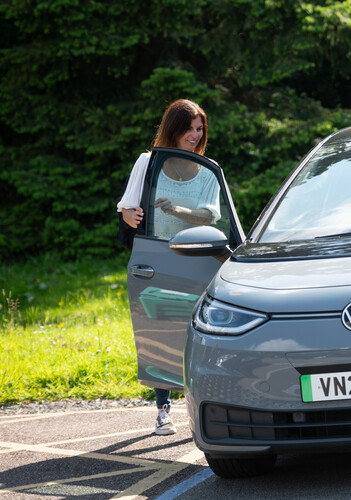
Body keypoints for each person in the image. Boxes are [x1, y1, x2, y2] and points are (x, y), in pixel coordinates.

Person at [117, 99, 219, 434]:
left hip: (197, 259)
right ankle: (163, 410)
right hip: (158, 258)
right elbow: (128, 209)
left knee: (195, 335)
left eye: (199, 128)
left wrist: (175, 211)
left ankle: (203, 406)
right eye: (188, 128)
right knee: (160, 334)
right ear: (172, 129)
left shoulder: (206, 171)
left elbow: (208, 216)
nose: (194, 135)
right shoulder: (148, 162)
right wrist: (129, 216)